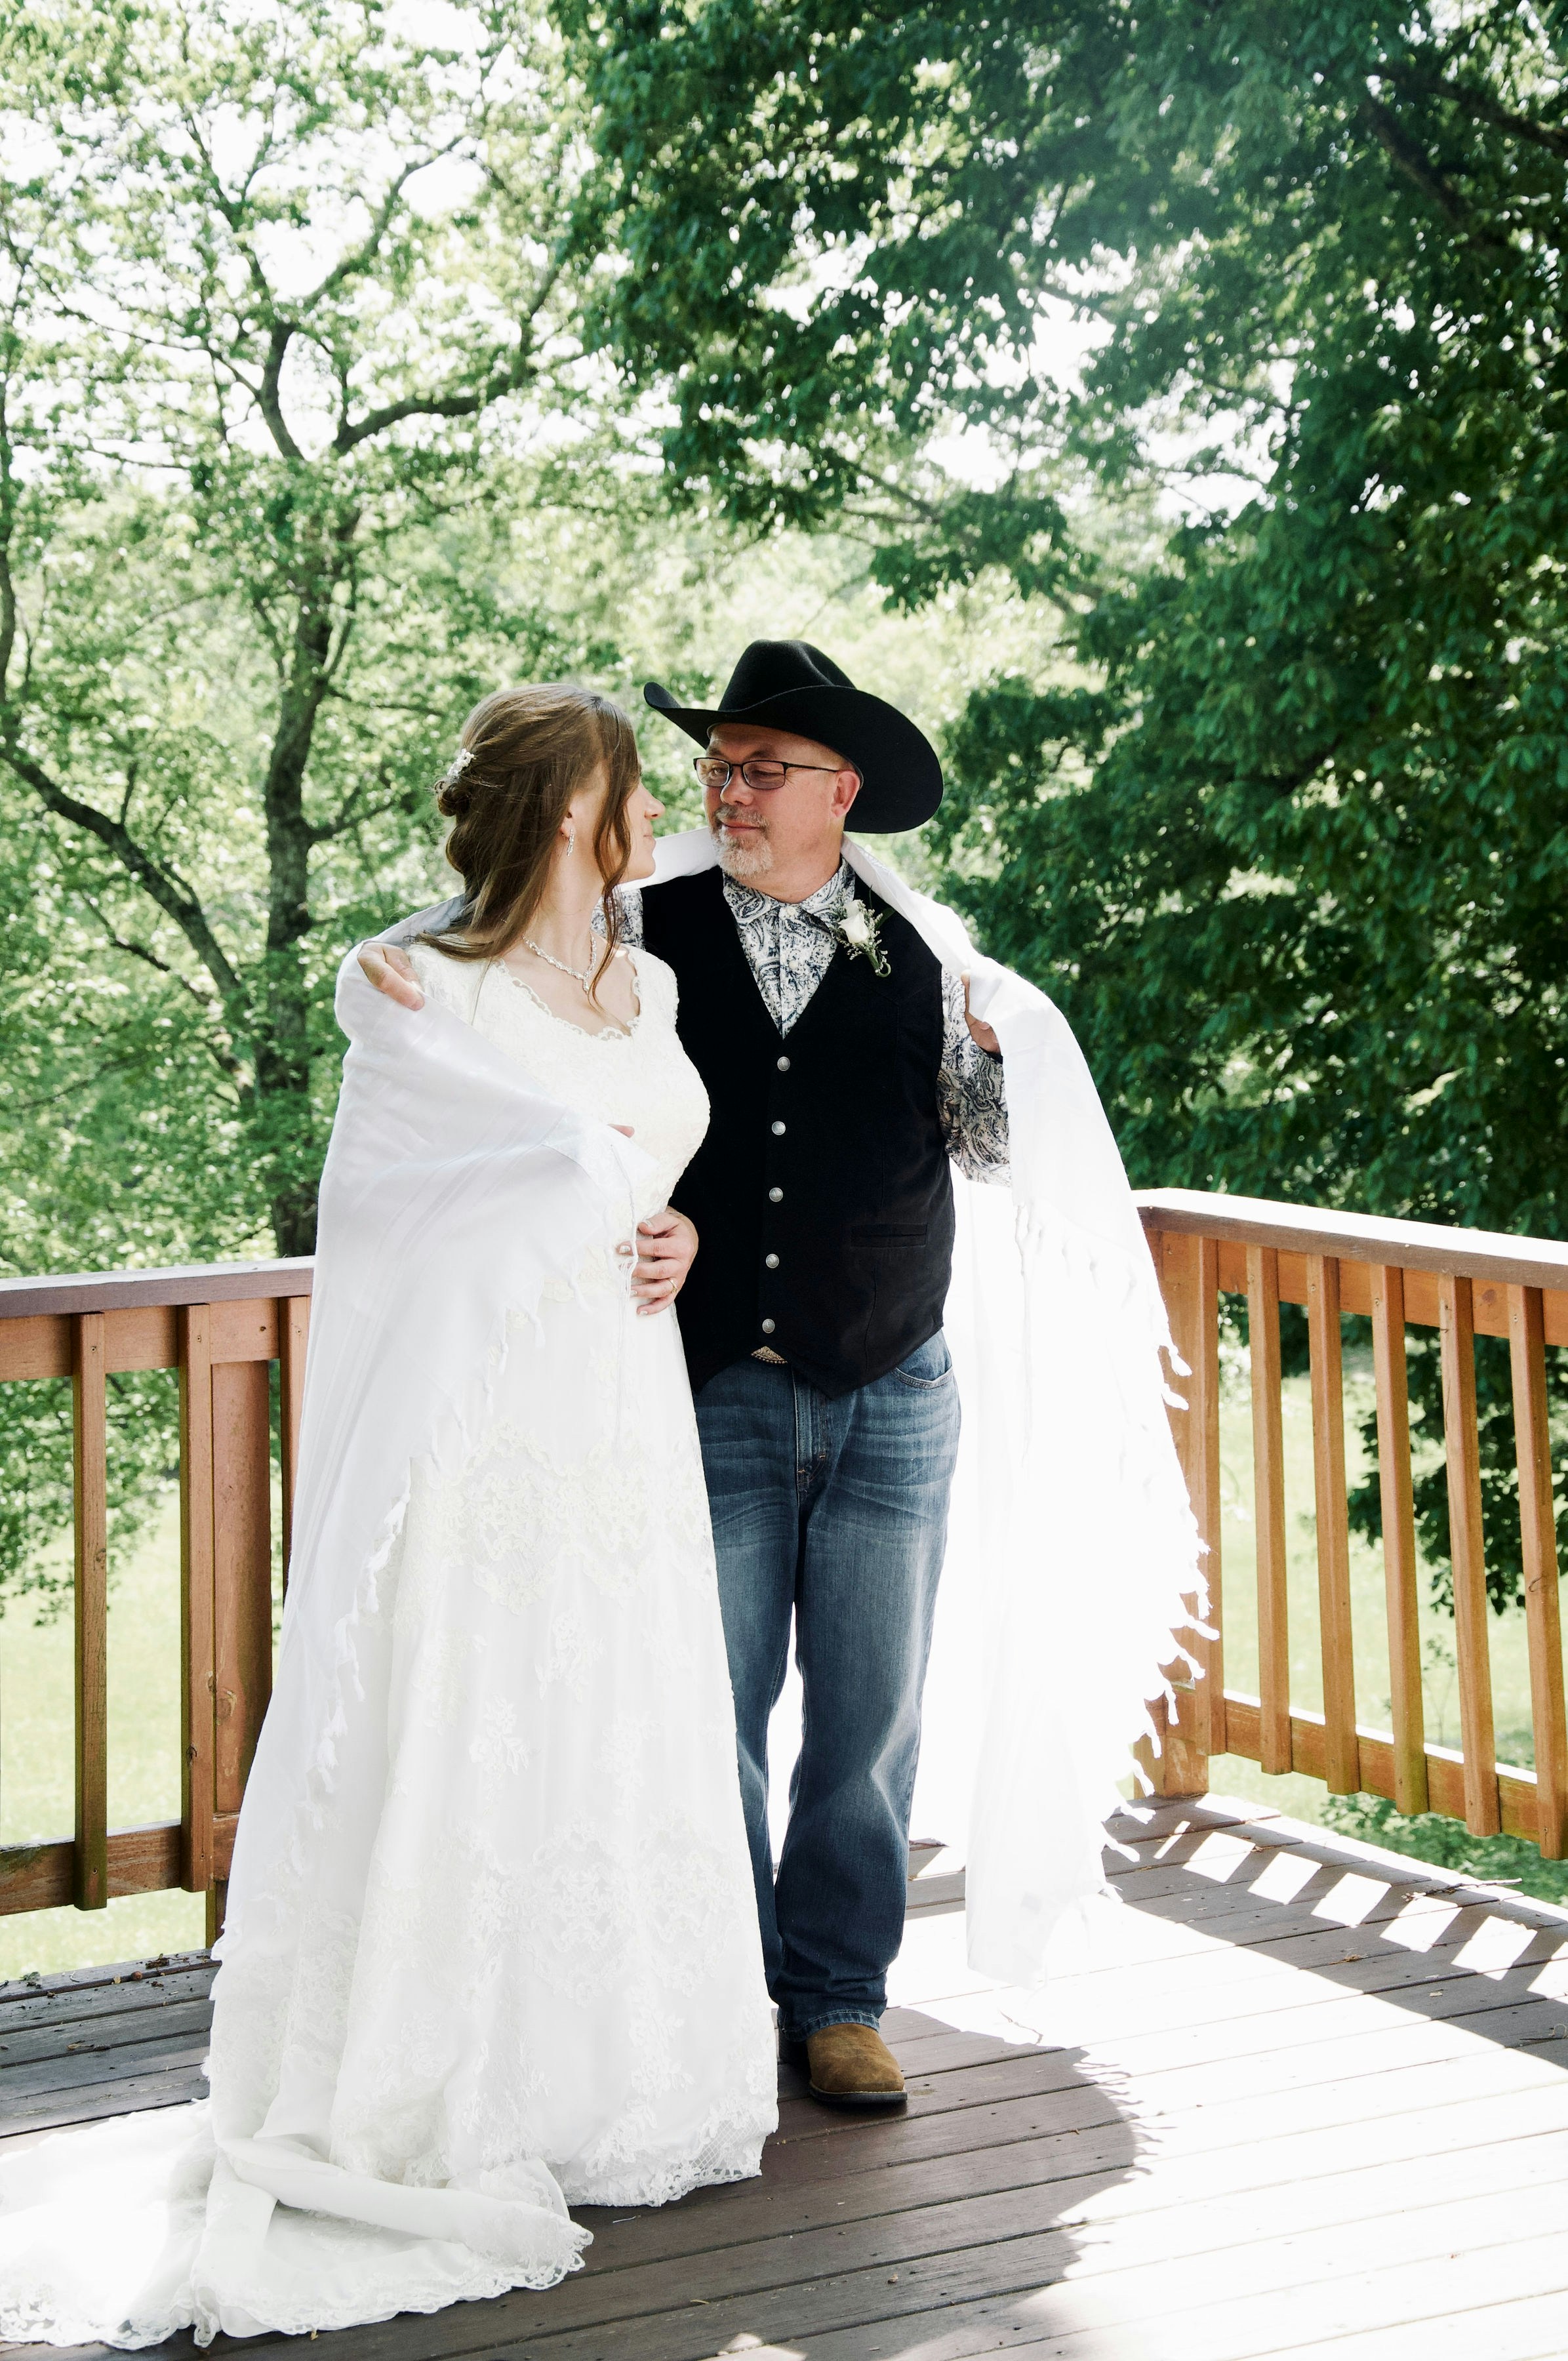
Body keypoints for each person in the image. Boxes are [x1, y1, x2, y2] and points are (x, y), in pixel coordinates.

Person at [0, 685, 776, 2347]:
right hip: (483, 1426)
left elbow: (653, 1167)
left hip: (619, 1412)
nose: (662, 816)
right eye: (641, 789)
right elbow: (398, 1207)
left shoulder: (641, 982)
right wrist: (580, 1187)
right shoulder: (410, 985)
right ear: (584, 807)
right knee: (476, 1719)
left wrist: (679, 1236)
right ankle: (447, 2081)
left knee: (612, 1713)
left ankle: (612, 2080)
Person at [359, 641, 1206, 2114]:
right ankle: (717, 1994)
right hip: (708, 1390)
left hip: (892, 1388)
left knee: (868, 1723)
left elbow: (994, 1155)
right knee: (707, 1707)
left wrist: (1010, 1063)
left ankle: (838, 2000)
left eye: (760, 769)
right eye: (717, 765)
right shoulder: (645, 916)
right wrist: (404, 946)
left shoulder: (932, 956)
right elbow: (506, 913)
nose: (727, 790)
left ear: (842, 793)